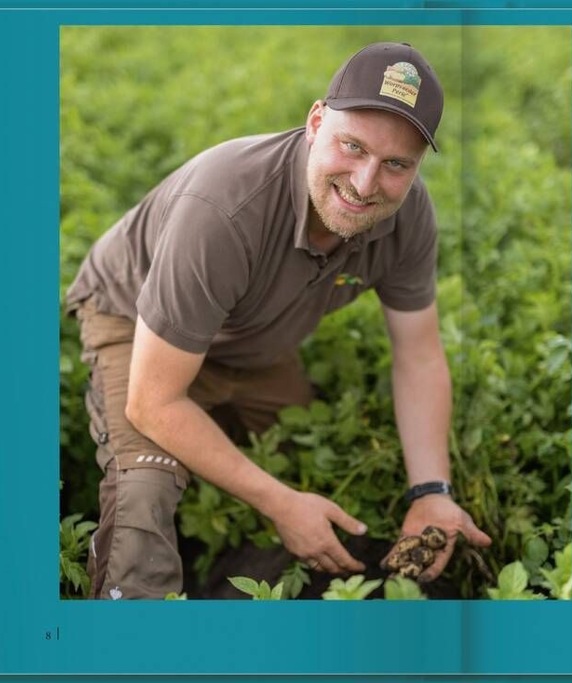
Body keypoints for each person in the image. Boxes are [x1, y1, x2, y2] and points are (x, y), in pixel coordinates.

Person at [65, 41, 492, 600]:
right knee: (146, 485)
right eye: (352, 146)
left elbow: (419, 354)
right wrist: (277, 502)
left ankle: (231, 593)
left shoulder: (407, 216)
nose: (365, 184)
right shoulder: (224, 210)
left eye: (395, 164)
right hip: (137, 322)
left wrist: (431, 489)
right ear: (316, 121)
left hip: (250, 337)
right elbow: (152, 401)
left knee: (304, 461)